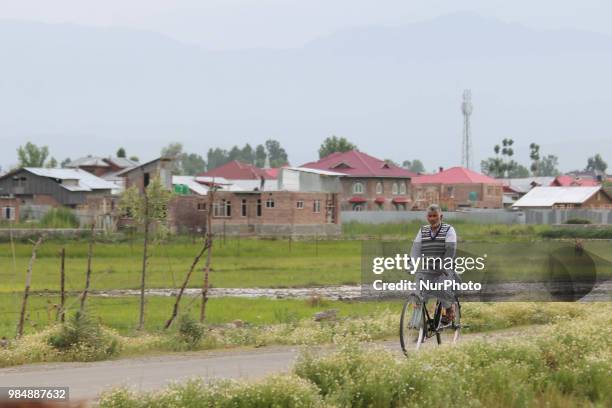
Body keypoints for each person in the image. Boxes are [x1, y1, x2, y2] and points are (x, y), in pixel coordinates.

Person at [410, 204, 459, 324]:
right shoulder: (423, 231)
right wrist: (412, 264)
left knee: (441, 288)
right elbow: (416, 249)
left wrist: (444, 265)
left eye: (435, 216)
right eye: (430, 216)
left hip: (444, 270)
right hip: (427, 269)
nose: (432, 218)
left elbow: (450, 249)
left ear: (441, 216)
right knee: (418, 293)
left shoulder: (449, 230)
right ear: (427, 217)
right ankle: (416, 324)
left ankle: (449, 308)